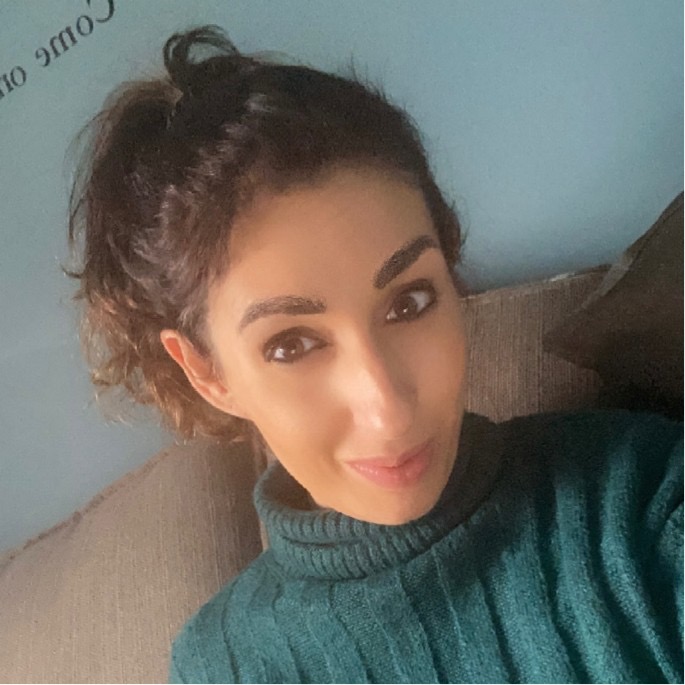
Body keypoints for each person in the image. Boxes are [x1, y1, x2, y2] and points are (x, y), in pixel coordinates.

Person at [68, 25, 682, 684]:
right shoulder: (223, 667)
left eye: (409, 302)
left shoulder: (635, 497)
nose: (387, 408)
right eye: (292, 344)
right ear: (209, 373)